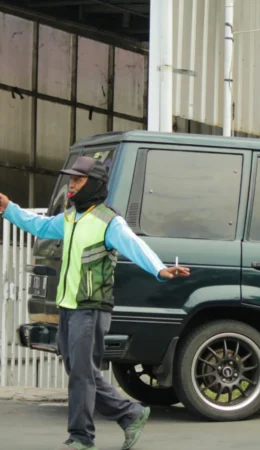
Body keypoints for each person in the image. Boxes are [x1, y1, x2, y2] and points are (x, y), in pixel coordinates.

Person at [0, 156, 190, 450]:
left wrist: (160, 269)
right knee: (80, 370)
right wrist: (9, 209)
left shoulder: (108, 221)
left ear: (95, 184)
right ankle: (131, 414)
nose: (71, 186)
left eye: (78, 180)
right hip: (68, 306)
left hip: (91, 308)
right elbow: (39, 226)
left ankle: (81, 437)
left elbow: (134, 245)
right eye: (71, 180)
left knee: (81, 373)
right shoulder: (70, 218)